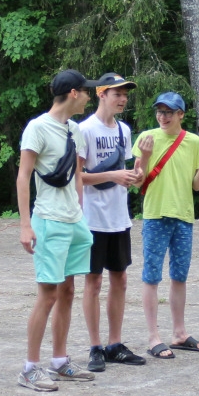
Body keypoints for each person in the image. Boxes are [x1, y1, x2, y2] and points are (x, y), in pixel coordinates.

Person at [16, 70, 102, 390]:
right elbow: (24, 176)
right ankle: (29, 367)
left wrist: (79, 212)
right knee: (48, 294)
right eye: (86, 92)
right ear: (74, 94)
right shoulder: (37, 128)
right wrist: (26, 224)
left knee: (67, 291)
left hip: (72, 221)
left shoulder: (75, 130)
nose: (90, 97)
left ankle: (60, 361)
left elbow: (76, 175)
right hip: (49, 221)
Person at [133, 92, 199, 358]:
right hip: (156, 215)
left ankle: (179, 333)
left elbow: (196, 185)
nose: (163, 116)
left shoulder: (193, 141)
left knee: (179, 276)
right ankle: (153, 337)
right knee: (151, 275)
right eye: (159, 111)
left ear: (181, 114)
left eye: (169, 111)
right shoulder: (146, 138)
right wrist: (145, 157)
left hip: (183, 216)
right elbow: (137, 181)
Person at [77, 72, 147, 371]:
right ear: (100, 94)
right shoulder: (84, 130)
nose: (123, 98)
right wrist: (113, 175)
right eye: (117, 93)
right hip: (93, 218)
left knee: (120, 279)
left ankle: (114, 344)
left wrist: (137, 172)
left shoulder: (124, 131)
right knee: (93, 282)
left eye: (125, 94)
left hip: (119, 218)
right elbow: (76, 177)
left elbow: (127, 173)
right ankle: (95, 347)